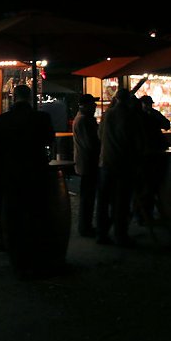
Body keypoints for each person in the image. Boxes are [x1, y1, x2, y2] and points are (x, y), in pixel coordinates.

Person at [0, 84, 57, 279]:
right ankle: (38, 258)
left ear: (14, 97)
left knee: (15, 219)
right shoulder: (42, 118)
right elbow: (50, 141)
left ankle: (19, 261)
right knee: (37, 216)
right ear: (30, 97)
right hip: (37, 174)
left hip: (11, 176)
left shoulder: (2, 120)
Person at [97, 88, 145, 248]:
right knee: (121, 201)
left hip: (105, 161)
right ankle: (120, 234)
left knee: (104, 201)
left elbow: (99, 135)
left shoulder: (107, 115)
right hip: (123, 163)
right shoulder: (130, 116)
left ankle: (102, 234)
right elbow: (137, 141)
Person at [136, 95, 171, 226]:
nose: (148, 106)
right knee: (147, 186)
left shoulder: (151, 115)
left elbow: (166, 125)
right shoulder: (140, 117)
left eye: (149, 104)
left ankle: (146, 214)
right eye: (146, 104)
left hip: (151, 153)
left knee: (150, 186)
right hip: (147, 154)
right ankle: (144, 214)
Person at [73, 93, 101, 238]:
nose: (95, 105)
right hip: (88, 162)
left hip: (84, 162)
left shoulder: (81, 118)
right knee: (87, 198)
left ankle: (86, 226)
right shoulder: (84, 120)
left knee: (87, 197)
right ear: (86, 105)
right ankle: (85, 227)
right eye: (92, 103)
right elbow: (91, 143)